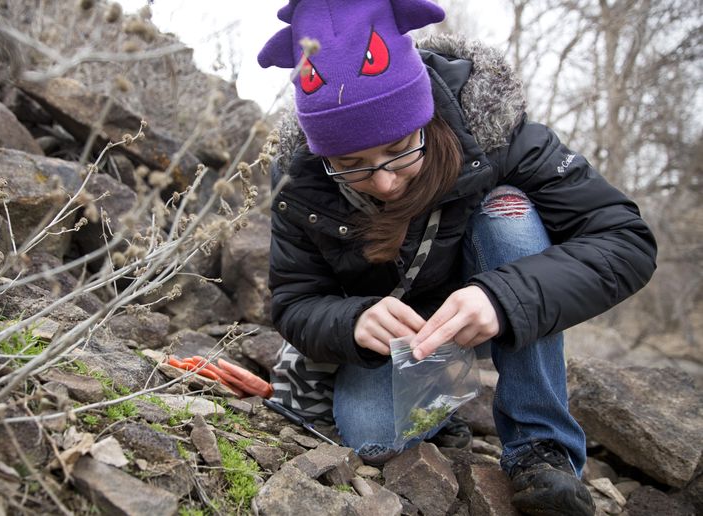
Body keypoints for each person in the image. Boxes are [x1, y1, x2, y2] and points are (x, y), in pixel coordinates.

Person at [256, 1, 657, 514]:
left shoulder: (495, 131)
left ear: (425, 116)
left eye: (400, 148)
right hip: (398, 338)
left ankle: (541, 446)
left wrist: (503, 296)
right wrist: (352, 320)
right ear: (321, 154)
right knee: (373, 439)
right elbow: (295, 301)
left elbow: (626, 240)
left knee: (506, 211)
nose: (383, 180)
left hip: (492, 298)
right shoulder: (299, 179)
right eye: (351, 165)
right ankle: (447, 406)